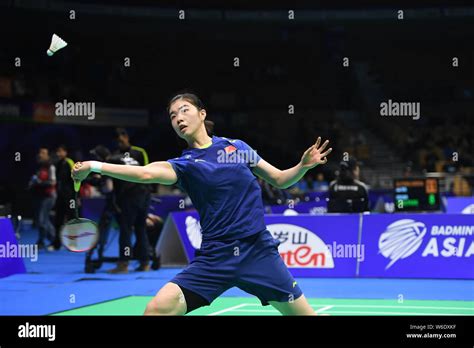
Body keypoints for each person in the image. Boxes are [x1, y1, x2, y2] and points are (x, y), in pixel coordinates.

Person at [72, 92, 332, 315]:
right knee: (157, 309)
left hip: (258, 253)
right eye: (173, 116)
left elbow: (279, 179)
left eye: (184, 110)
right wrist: (95, 166)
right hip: (214, 258)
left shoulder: (236, 147)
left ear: (202, 114)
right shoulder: (184, 165)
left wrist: (302, 166)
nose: (178, 118)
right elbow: (146, 173)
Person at [29, 147, 57, 250]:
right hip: (40, 196)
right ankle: (47, 240)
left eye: (43, 153)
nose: (40, 154)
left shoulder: (51, 167)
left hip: (49, 196)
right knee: (42, 219)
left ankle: (50, 240)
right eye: (40, 152)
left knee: (42, 219)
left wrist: (39, 182)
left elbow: (52, 182)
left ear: (48, 156)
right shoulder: (40, 167)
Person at [53, 145, 75, 250]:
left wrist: (76, 197)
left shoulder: (70, 163)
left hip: (70, 197)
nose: (58, 154)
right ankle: (56, 244)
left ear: (65, 152)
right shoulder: (57, 164)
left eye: (60, 151)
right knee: (58, 221)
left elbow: (76, 180)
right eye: (57, 152)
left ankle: (72, 244)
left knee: (71, 221)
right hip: (60, 197)